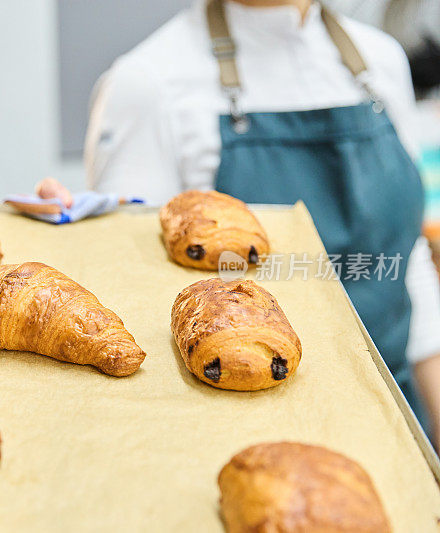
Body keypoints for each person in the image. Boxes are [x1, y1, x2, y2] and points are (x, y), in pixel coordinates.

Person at [39, 0, 440, 444]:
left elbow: (405, 259)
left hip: (396, 419)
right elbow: (132, 287)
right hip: (244, 428)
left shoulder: (382, 62)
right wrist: (82, 240)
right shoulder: (149, 82)